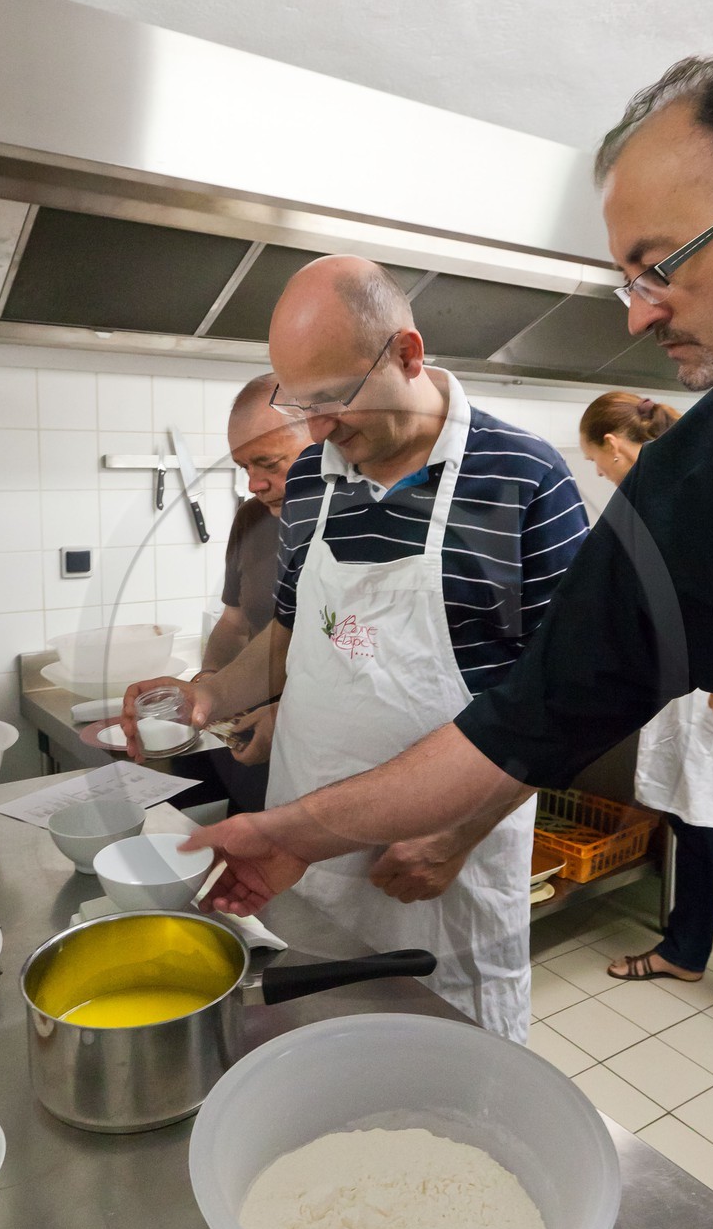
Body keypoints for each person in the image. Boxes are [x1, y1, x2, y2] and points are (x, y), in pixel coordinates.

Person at [181, 41, 713, 1229]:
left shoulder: (527, 476)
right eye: (623, 275)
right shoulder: (695, 487)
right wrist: (292, 830)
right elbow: (520, 722)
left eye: (655, 265)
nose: (635, 312)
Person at [127, 253, 590, 1041]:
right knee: (321, 1040)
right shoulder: (312, 476)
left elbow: (568, 697)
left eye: (333, 399)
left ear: (407, 354)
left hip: (441, 864)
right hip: (304, 848)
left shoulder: (522, 476)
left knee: (446, 1059)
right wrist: (209, 694)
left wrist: (458, 832)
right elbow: (291, 631)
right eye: (298, 404)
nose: (315, 430)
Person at [579, 390, 713, 1061]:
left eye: (597, 460)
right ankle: (683, 951)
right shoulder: (649, 501)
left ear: (616, 446)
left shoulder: (704, 488)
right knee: (688, 828)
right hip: (675, 689)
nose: (599, 472)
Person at [167, 374, 309, 813]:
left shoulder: (355, 523)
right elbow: (234, 624)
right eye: (245, 467)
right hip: (250, 738)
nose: (254, 484)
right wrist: (210, 681)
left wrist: (289, 715)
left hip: (321, 746)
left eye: (269, 463)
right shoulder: (252, 519)